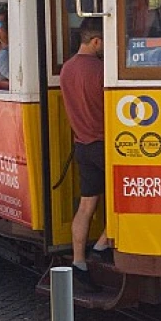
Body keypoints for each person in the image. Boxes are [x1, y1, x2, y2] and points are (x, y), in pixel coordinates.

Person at [59, 17, 110, 293]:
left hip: (82, 145)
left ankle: (79, 261)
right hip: (104, 144)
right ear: (96, 41)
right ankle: (103, 244)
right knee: (121, 200)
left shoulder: (67, 69)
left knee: (87, 205)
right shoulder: (102, 71)